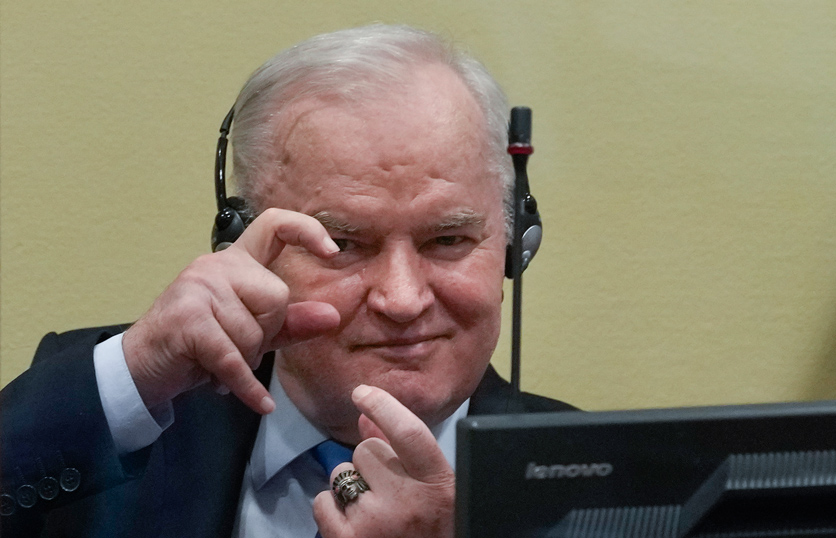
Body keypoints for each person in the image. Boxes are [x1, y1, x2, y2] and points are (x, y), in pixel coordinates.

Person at [0, 24, 573, 538]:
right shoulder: (118, 416)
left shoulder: (604, 483)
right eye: (342, 244)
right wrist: (133, 375)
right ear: (245, 250)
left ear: (513, 244)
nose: (402, 300)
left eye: (447, 240)